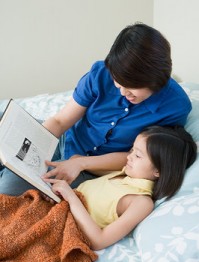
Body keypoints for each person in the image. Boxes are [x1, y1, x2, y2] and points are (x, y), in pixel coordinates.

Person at [0, 23, 192, 195]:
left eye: (132, 86)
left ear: (157, 80)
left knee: (6, 191)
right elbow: (60, 121)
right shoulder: (101, 73)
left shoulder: (175, 107)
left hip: (93, 170)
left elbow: (143, 157)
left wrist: (80, 162)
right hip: (65, 140)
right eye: (118, 83)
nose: (124, 92)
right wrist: (35, 147)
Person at [43, 126, 197, 250]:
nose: (128, 157)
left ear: (159, 171)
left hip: (65, 228)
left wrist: (70, 197)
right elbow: (80, 161)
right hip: (54, 209)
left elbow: (99, 240)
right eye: (132, 150)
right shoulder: (124, 173)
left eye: (138, 156)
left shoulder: (141, 202)